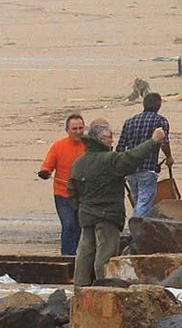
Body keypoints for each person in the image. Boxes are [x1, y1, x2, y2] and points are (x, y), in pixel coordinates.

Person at [67, 118, 166, 286]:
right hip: (107, 216)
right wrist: (153, 141)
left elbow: (71, 190)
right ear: (100, 140)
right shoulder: (110, 160)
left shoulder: (79, 162)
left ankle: (81, 286)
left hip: (86, 215)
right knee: (105, 255)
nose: (112, 140)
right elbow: (133, 157)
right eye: (109, 137)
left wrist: (80, 208)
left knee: (85, 251)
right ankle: (104, 287)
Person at [115, 91, 172, 222]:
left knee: (137, 201)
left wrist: (119, 167)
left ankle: (137, 229)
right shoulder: (160, 121)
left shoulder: (129, 122)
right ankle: (136, 230)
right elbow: (164, 142)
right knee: (144, 202)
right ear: (159, 106)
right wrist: (169, 157)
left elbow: (120, 147)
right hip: (148, 168)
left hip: (130, 169)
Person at [37, 112, 87, 255]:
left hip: (84, 195)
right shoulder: (58, 146)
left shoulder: (89, 145)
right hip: (63, 194)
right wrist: (45, 172)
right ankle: (67, 257)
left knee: (81, 228)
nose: (78, 132)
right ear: (67, 130)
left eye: (80, 128)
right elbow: (48, 165)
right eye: (74, 129)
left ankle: (80, 258)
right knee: (68, 224)